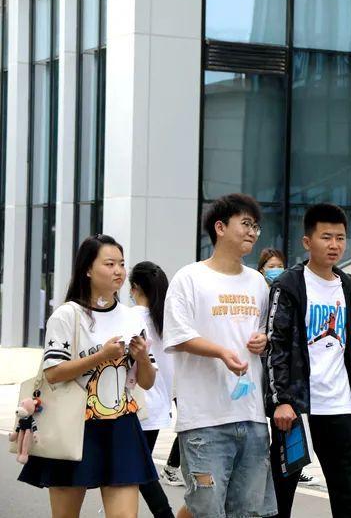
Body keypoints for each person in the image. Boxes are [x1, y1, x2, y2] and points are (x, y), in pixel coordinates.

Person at [18, 234, 159, 518]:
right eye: (109, 264)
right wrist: (101, 356)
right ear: (87, 270)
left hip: (122, 425)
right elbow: (53, 373)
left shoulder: (132, 317)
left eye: (122, 264)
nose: (118, 270)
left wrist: (143, 357)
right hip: (75, 425)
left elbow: (146, 382)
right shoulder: (67, 315)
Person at [163, 193, 277, 518]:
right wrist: (221, 352)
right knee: (207, 510)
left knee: (248, 512)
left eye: (256, 226)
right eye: (246, 223)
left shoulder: (258, 283)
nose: (253, 232)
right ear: (220, 227)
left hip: (251, 417)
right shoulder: (189, 278)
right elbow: (178, 335)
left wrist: (263, 340)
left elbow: (265, 332)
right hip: (205, 421)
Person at [265, 203, 351, 518]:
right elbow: (276, 345)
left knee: (348, 499)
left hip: (339, 406)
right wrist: (281, 400)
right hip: (297, 410)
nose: (334, 245)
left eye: (340, 238)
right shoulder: (289, 285)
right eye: (326, 237)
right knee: (280, 497)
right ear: (307, 241)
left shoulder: (350, 287)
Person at [258, 247, 319, 487]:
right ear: (261, 269)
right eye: (271, 266)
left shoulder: (287, 290)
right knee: (277, 425)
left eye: (279, 266)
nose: (276, 270)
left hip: (281, 370)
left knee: (290, 431)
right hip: (266, 367)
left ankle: (293, 466)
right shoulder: (263, 292)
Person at [129, 261, 176, 518]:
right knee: (138, 470)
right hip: (158, 407)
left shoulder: (130, 318)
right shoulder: (167, 321)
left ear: (134, 287)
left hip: (133, 405)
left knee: (140, 471)